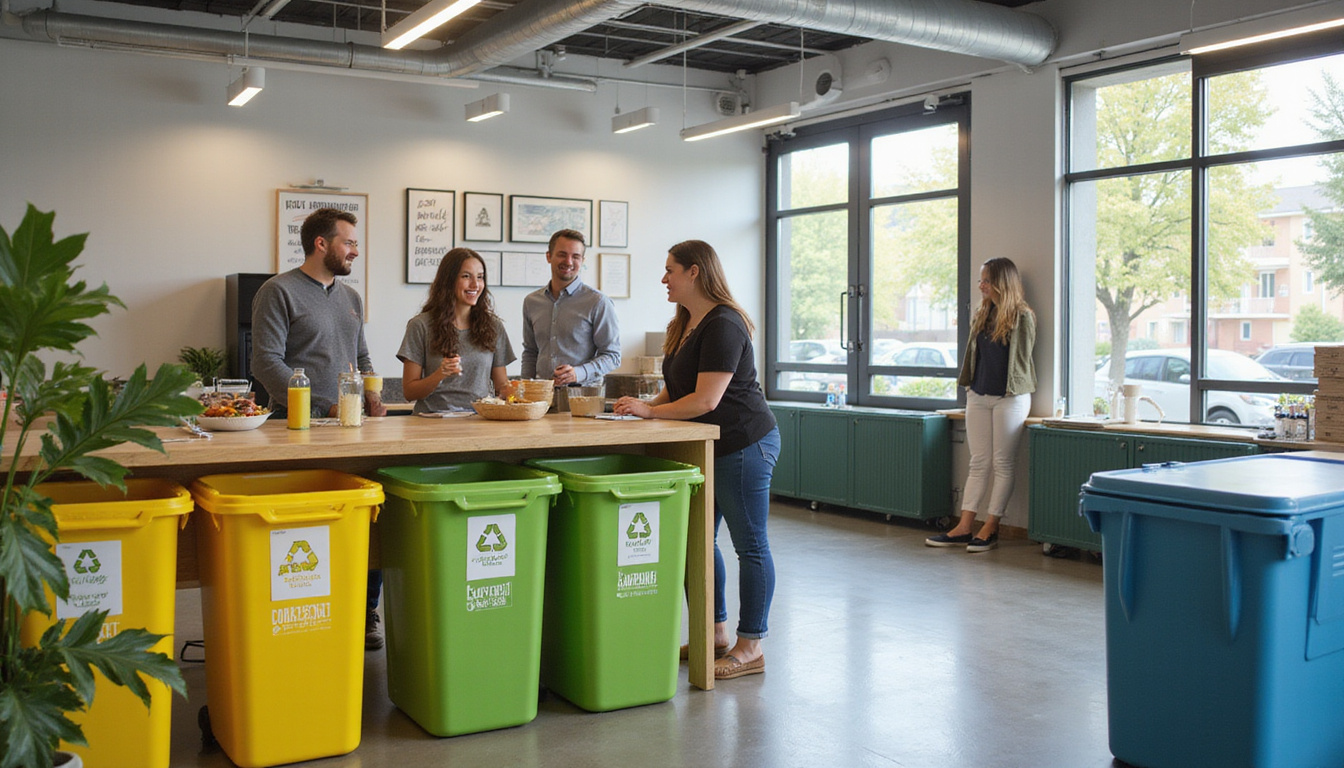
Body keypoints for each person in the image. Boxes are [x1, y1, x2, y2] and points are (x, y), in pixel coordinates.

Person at [613, 240, 780, 681]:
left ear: (695, 273)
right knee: (698, 542)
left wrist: (651, 413)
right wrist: (644, 405)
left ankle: (751, 646)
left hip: (744, 445)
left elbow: (706, 399)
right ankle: (715, 632)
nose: (663, 279)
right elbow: (678, 388)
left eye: (670, 270)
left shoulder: (725, 324)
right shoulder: (686, 322)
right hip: (708, 446)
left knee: (750, 546)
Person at [250, 206, 389, 650]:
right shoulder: (279, 291)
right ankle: (308, 605)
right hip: (295, 430)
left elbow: (362, 356)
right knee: (311, 528)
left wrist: (371, 395)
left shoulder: (351, 298)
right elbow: (266, 362)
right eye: (349, 242)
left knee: (369, 521)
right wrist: (323, 406)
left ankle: (365, 611)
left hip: (353, 427)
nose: (355, 250)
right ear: (321, 244)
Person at [926, 257, 1036, 553]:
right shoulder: (982, 314)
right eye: (980, 280)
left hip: (1010, 398)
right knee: (978, 462)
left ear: (1002, 282)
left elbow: (1022, 363)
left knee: (1002, 463)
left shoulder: (1022, 317)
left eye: (986, 280)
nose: (981, 285)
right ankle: (964, 526)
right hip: (978, 395)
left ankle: (990, 527)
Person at [398, 247, 515, 413]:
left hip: (479, 422)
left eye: (480, 277)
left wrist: (523, 390)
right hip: (432, 423)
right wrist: (440, 374)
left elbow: (502, 386)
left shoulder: (494, 326)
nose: (475, 285)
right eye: (466, 276)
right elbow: (409, 392)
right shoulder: (420, 326)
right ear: (449, 280)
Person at [520, 229, 621, 388]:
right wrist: (524, 389)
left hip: (582, 398)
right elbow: (530, 352)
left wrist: (578, 373)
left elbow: (612, 356)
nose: (568, 261)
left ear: (583, 260)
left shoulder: (598, 302)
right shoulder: (531, 302)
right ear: (548, 256)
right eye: (562, 254)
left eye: (575, 256)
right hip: (541, 397)